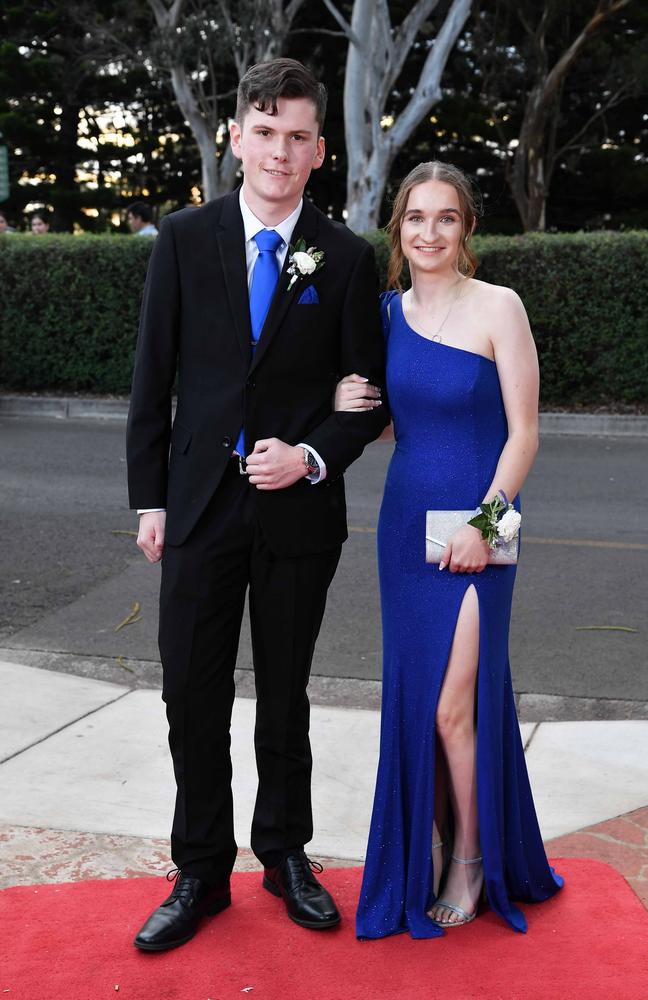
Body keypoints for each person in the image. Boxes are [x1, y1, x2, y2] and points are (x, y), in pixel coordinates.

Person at [126, 57, 387, 952]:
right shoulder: (183, 240)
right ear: (238, 136)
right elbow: (151, 383)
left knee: (285, 694)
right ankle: (200, 869)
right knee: (189, 696)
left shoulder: (348, 258)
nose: (280, 151)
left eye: (298, 137)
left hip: (298, 520)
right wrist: (147, 500)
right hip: (195, 512)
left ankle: (284, 853)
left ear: (321, 150)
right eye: (265, 131)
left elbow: (367, 395)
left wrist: (313, 453)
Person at [335, 161, 562, 939]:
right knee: (420, 704)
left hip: (484, 519)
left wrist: (486, 525)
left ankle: (470, 861)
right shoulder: (385, 314)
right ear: (398, 228)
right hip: (405, 529)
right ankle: (431, 850)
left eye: (446, 218)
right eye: (415, 218)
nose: (429, 232)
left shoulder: (500, 306)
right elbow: (393, 419)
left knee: (453, 703)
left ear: (467, 229)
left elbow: (526, 435)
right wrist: (343, 402)